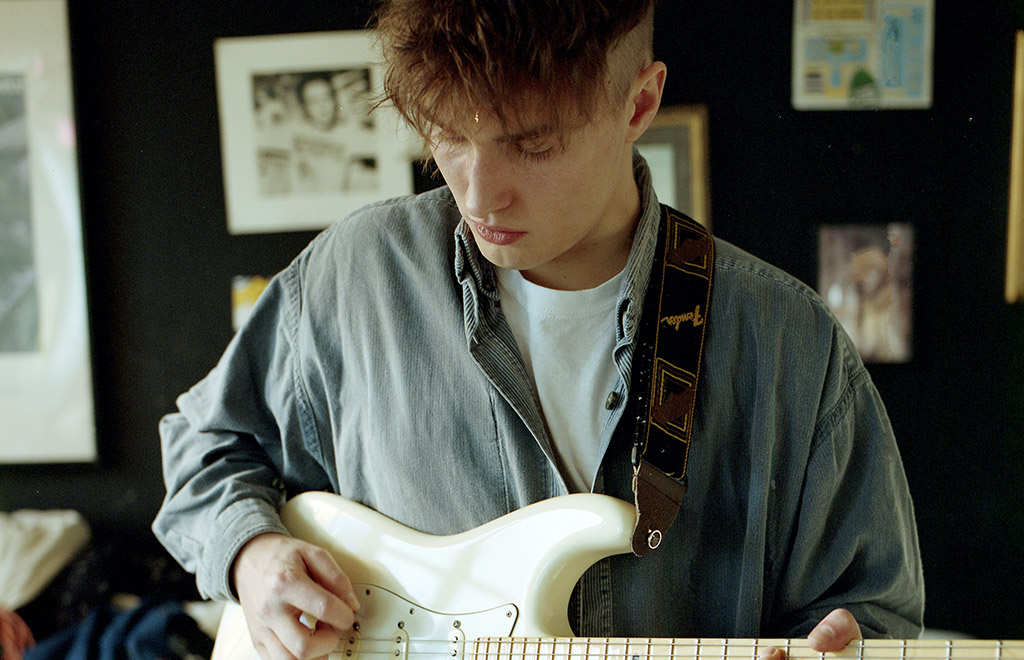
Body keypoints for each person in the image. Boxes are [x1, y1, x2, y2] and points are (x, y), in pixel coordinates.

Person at [153, 2, 925, 659]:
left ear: (639, 104)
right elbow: (204, 447)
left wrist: (848, 640)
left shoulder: (791, 345)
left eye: (533, 143)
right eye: (448, 136)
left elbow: (873, 618)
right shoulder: (351, 279)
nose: (479, 193)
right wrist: (253, 558)